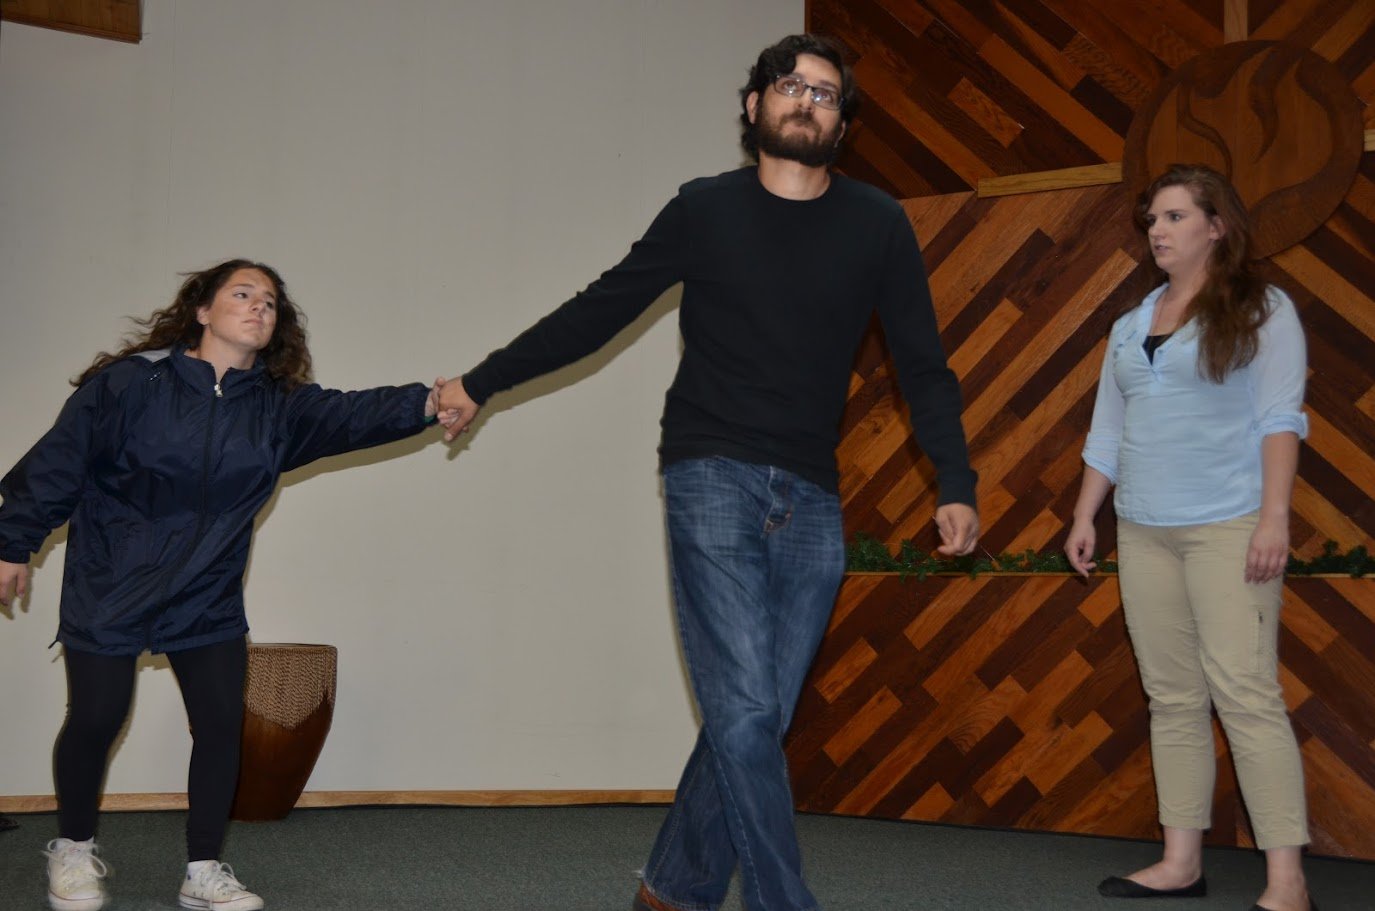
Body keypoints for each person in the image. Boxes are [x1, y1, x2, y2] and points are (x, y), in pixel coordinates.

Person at [436, 34, 979, 911]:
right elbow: (600, 309)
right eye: (790, 85)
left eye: (826, 94)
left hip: (810, 492)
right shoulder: (703, 209)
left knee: (753, 712)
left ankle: (673, 887)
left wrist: (954, 480)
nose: (806, 100)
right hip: (710, 472)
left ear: (842, 124)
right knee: (747, 712)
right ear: (754, 105)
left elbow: (922, 364)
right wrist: (482, 380)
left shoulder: (877, 223)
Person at [0, 259, 445, 911]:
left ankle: (203, 868)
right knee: (96, 717)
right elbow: (57, 462)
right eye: (242, 293)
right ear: (202, 311)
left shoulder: (276, 406)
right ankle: (71, 849)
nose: (259, 306)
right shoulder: (131, 384)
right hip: (111, 582)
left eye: (270, 301)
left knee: (219, 725)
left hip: (205, 593)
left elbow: (356, 414)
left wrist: (432, 401)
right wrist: (12, 542)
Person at [1065, 165, 1314, 911]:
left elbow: (1280, 418)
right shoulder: (1129, 325)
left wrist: (1274, 517)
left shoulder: (1262, 309)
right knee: (1171, 697)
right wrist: (1085, 515)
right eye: (1152, 219)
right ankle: (1180, 863)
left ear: (1217, 226)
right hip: (1143, 531)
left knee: (1245, 695)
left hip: (1228, 526)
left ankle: (1287, 884)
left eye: (1175, 216)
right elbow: (1108, 430)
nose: (1158, 230)